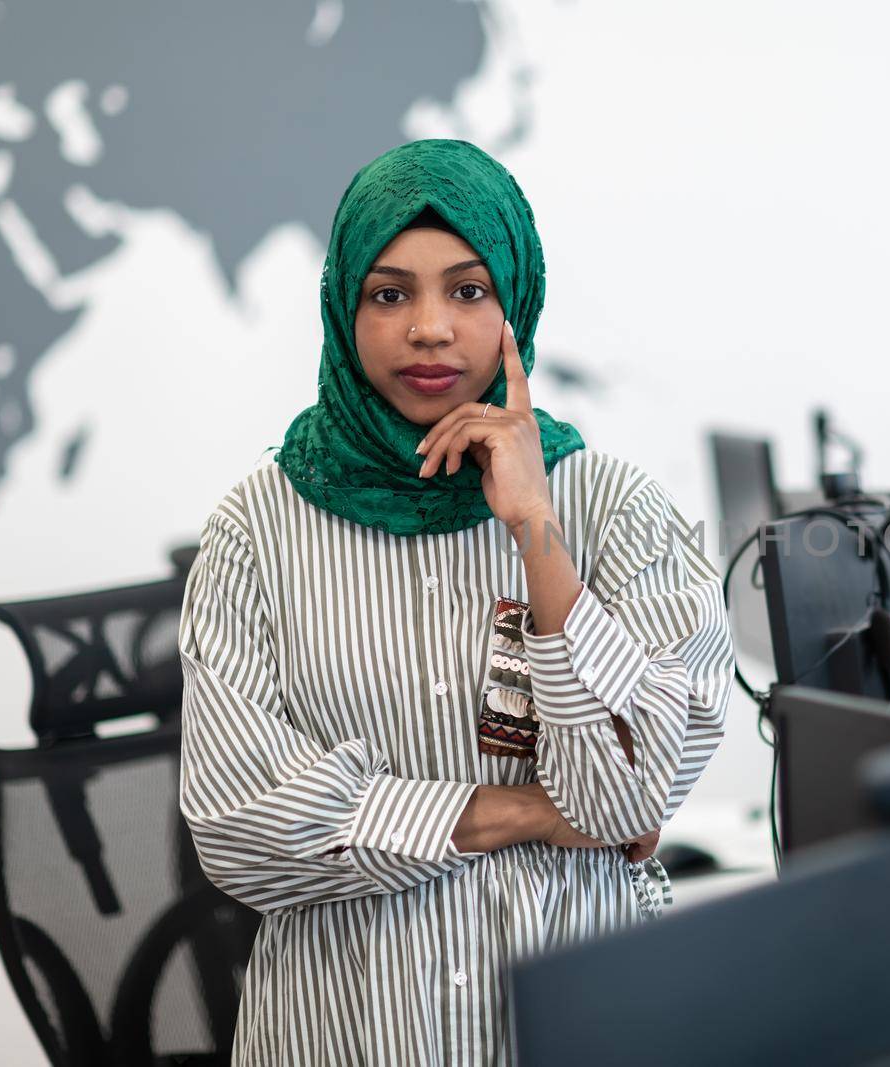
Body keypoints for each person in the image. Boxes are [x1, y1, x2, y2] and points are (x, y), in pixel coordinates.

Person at [176, 138, 734, 1066]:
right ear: (343, 307)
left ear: (514, 298)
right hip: (343, 1033)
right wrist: (528, 812)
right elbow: (244, 830)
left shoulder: (616, 506)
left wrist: (536, 531)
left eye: (468, 291)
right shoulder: (257, 530)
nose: (430, 328)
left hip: (582, 1019)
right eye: (389, 293)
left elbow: (632, 788)